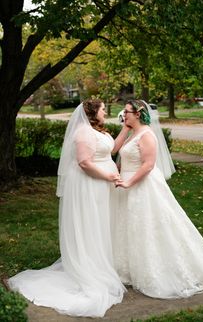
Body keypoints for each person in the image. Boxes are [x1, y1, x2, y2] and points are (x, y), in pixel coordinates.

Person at [8, 99, 129, 317]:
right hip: (91, 184)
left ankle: (104, 259)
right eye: (102, 108)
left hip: (102, 184)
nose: (105, 111)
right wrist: (108, 175)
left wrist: (126, 129)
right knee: (91, 224)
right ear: (92, 113)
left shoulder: (98, 130)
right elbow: (84, 162)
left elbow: (111, 149)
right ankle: (91, 264)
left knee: (102, 223)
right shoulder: (83, 132)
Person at [112, 99, 203, 299]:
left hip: (142, 186)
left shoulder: (147, 135)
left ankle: (156, 268)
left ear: (138, 113)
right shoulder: (132, 133)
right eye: (124, 112)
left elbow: (148, 165)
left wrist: (129, 182)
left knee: (149, 227)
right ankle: (130, 269)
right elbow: (117, 152)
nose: (123, 115)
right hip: (127, 185)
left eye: (127, 112)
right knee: (130, 227)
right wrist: (119, 164)